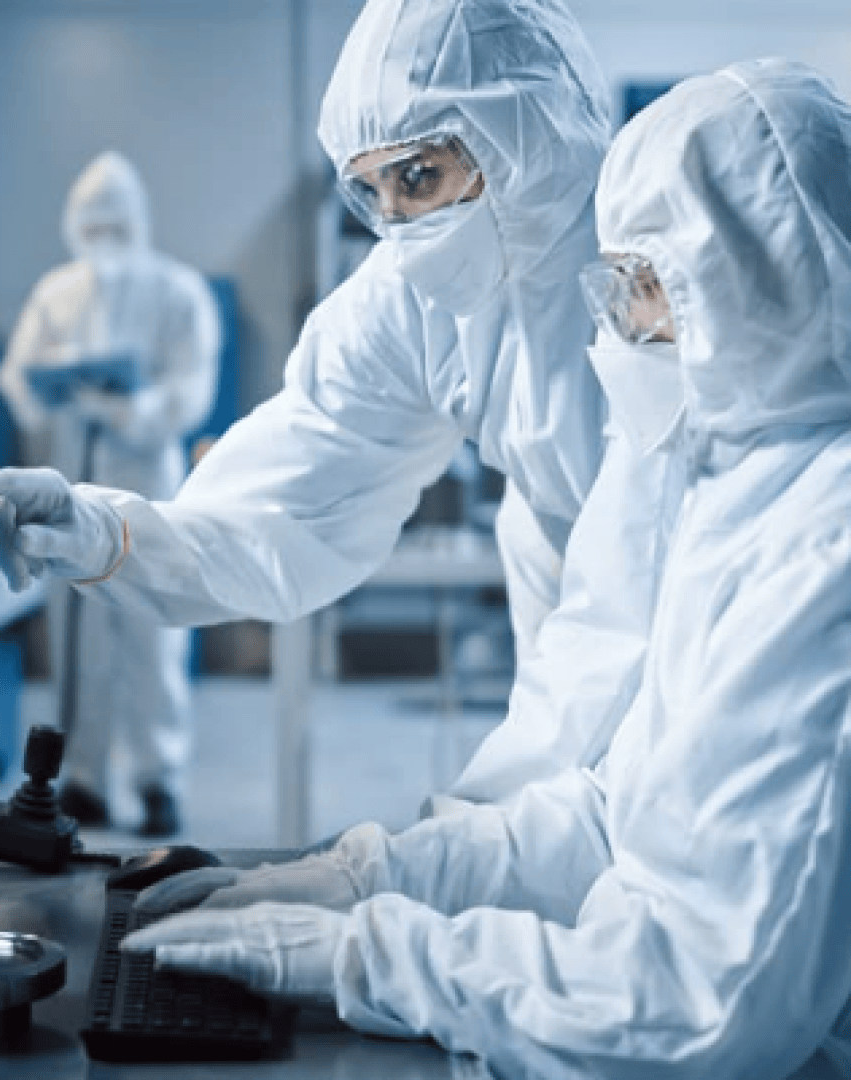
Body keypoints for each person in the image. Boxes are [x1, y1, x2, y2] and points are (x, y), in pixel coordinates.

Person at [116, 59, 851, 1078]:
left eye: (647, 287)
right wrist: (369, 878)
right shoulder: (736, 480)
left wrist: (371, 956)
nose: (623, 329)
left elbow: (700, 1004)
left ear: (760, 281)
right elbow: (619, 814)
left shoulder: (826, 550)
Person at [0, 0, 611, 703]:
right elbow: (292, 500)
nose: (392, 221)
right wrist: (105, 532)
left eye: (417, 177)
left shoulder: (667, 264)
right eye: (371, 189)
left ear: (523, 135)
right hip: (568, 633)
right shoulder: (407, 299)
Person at [0, 151, 221, 835]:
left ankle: (157, 780)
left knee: (150, 635)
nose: (103, 238)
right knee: (79, 640)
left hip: (148, 483)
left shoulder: (177, 292)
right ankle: (84, 778)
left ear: (137, 221)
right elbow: (16, 377)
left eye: (114, 224)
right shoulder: (55, 294)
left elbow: (191, 390)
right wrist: (52, 391)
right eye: (91, 225)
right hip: (72, 483)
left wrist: (131, 409)